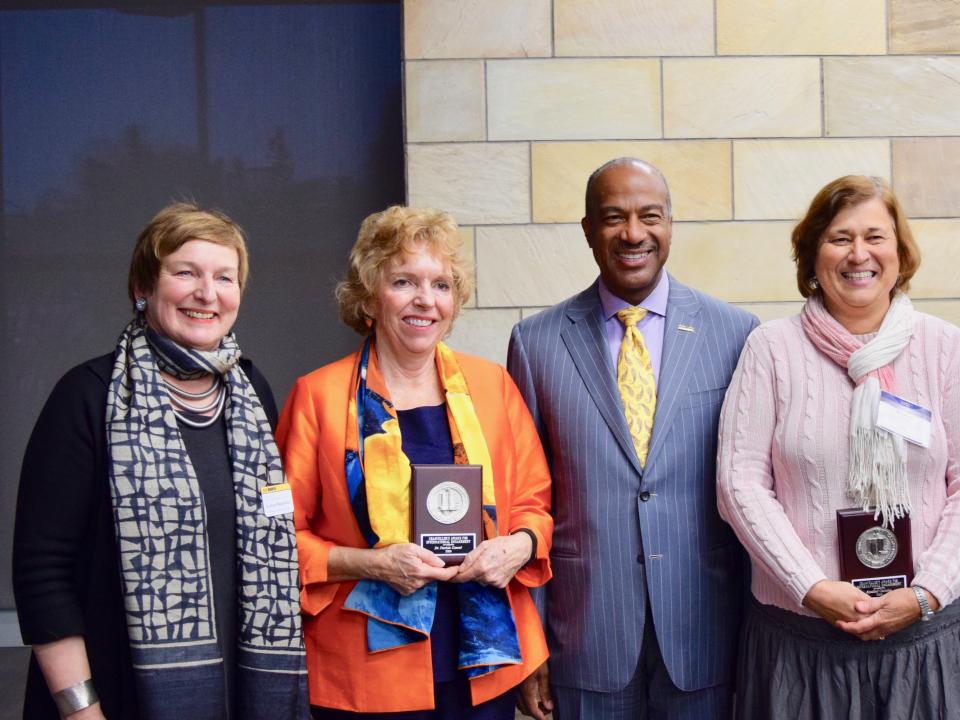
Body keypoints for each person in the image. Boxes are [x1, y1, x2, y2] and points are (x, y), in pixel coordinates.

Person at [716, 175, 960, 718]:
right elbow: (740, 483)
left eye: (875, 236)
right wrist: (812, 585)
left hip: (925, 636)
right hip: (800, 638)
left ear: (900, 251)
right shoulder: (770, 349)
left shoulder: (945, 346)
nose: (858, 254)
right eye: (839, 238)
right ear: (812, 255)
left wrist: (927, 591)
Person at [12, 203, 308, 720]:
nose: (207, 293)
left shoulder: (252, 393)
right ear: (142, 288)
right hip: (117, 697)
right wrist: (81, 709)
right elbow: (43, 572)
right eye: (185, 272)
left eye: (224, 277)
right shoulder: (87, 396)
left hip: (243, 691)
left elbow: (274, 522)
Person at [277, 205, 552, 718]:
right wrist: (372, 564)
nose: (426, 300)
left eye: (441, 285)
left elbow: (536, 505)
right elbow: (279, 541)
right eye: (404, 281)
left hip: (484, 665)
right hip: (366, 670)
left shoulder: (492, 386)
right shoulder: (316, 397)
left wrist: (517, 546)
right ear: (369, 296)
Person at [507, 157, 757, 719]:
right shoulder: (535, 343)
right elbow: (527, 501)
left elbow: (751, 490)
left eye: (650, 216)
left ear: (670, 224)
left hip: (706, 632)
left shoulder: (736, 333)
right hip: (586, 636)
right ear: (588, 230)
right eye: (613, 217)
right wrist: (530, 644)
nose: (633, 233)